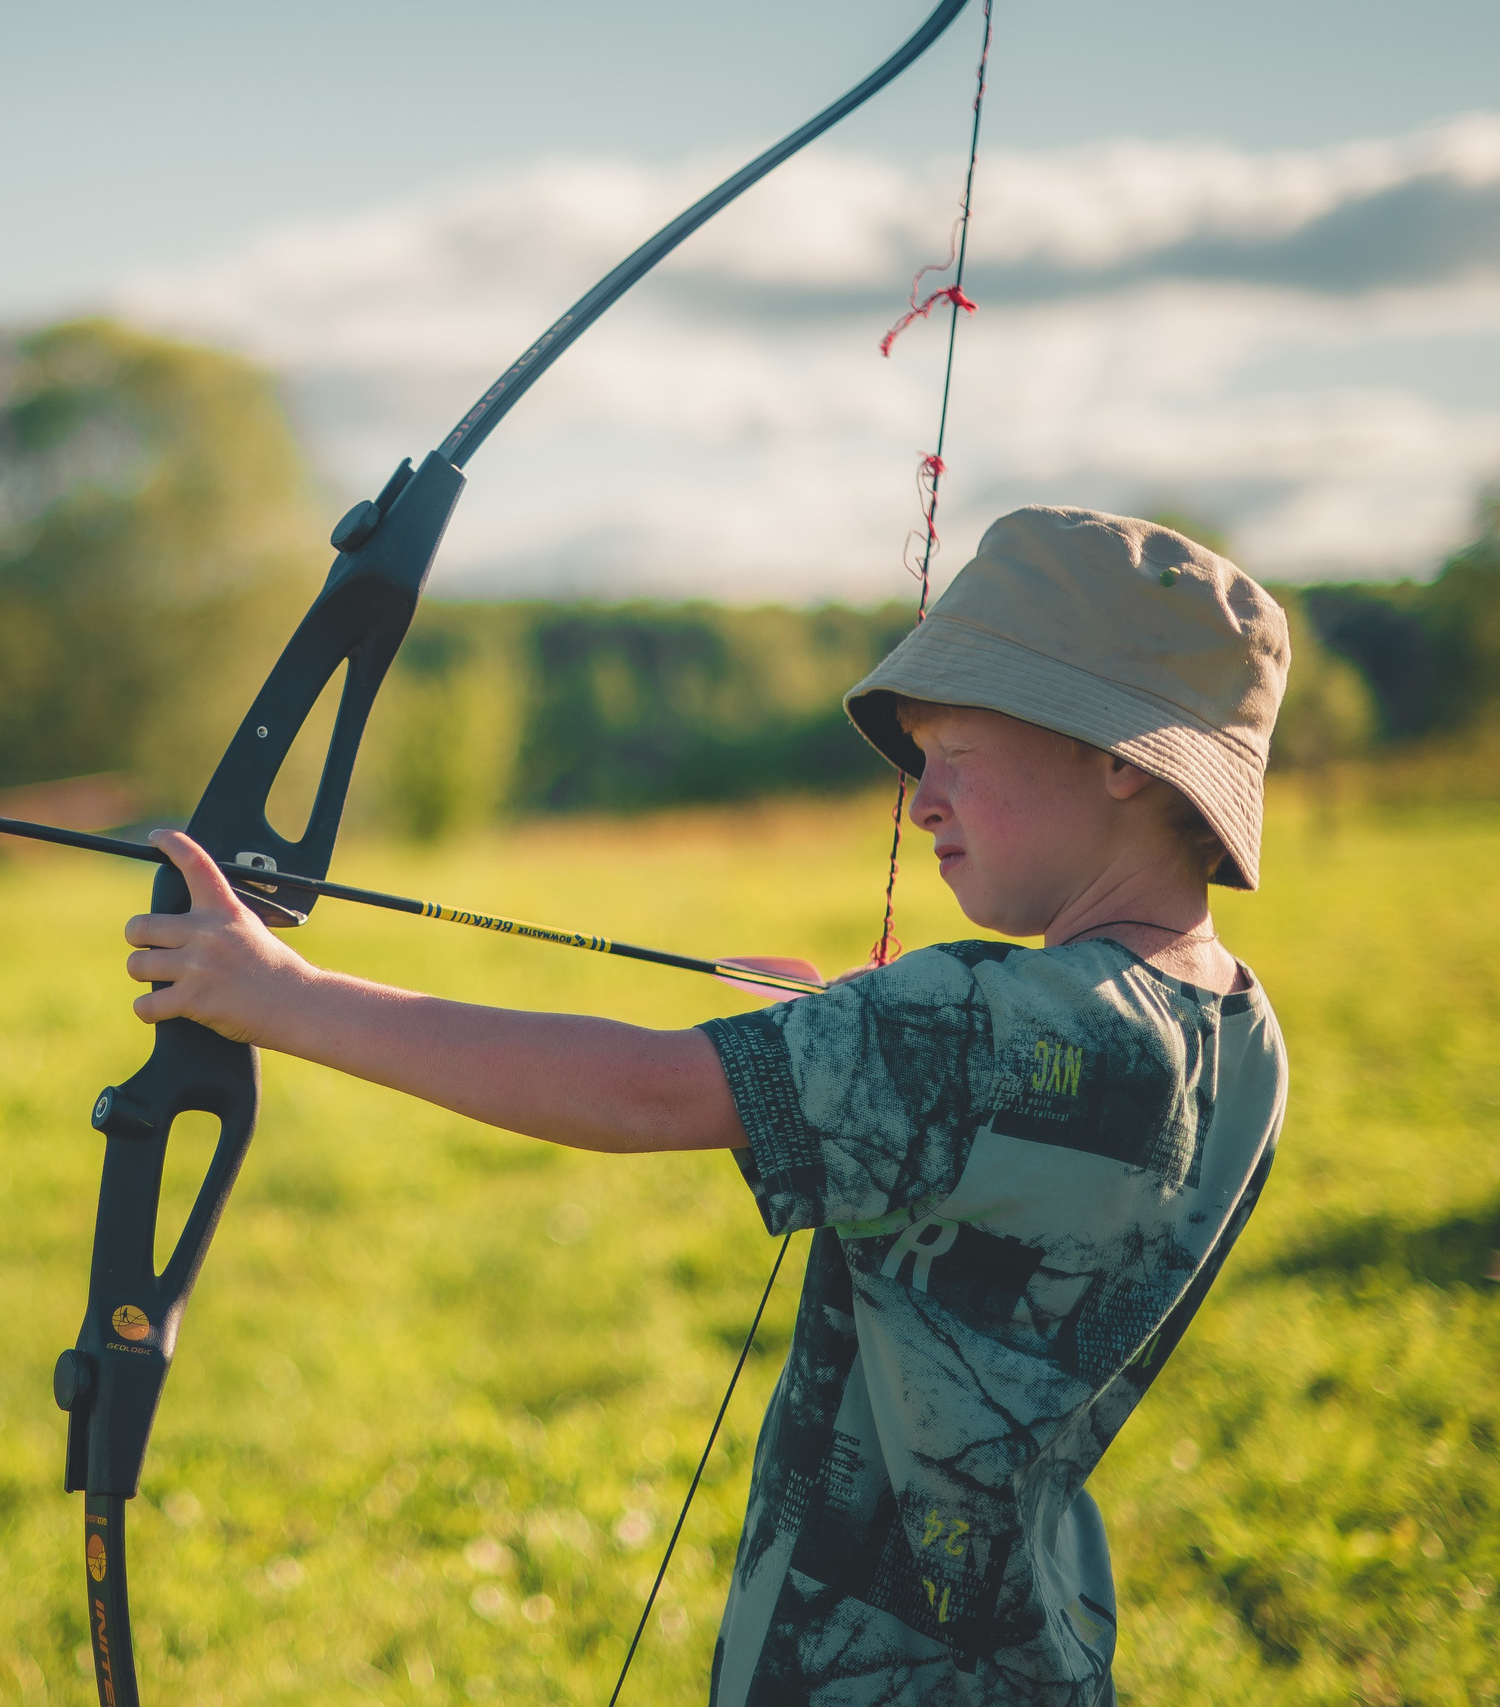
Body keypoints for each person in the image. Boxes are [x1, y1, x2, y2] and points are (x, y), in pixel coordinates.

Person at [122, 506, 1292, 1705]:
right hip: (1034, 1655)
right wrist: (865, 1040)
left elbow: (642, 1090)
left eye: (958, 752)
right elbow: (1045, 1129)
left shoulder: (970, 1021)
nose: (919, 799)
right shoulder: (1237, 1030)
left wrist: (281, 997)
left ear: (1121, 758)